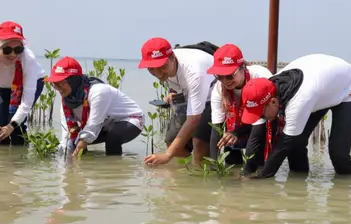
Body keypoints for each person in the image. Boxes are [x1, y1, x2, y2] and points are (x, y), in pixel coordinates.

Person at [238, 53, 351, 179]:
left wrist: (261, 178)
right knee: (296, 144)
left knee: (338, 151)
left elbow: (283, 146)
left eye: (261, 115)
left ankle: (345, 188)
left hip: (347, 87)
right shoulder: (269, 87)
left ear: (274, 102)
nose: (261, 118)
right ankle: (298, 185)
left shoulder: (299, 101)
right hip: (320, 87)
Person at [138, 37, 217, 166]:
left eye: (161, 67)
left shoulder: (194, 72)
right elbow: (173, 78)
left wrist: (167, 155)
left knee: (199, 142)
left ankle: (203, 175)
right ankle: (183, 177)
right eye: (151, 69)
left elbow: (194, 119)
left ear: (172, 57)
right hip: (191, 94)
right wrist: (172, 92)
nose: (158, 73)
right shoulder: (166, 68)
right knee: (171, 141)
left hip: (213, 94)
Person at [47, 56, 144, 156]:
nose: (58, 89)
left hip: (131, 120)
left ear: (73, 81)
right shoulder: (66, 103)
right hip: (104, 124)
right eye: (54, 84)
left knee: (112, 135)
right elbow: (67, 134)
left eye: (60, 84)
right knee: (73, 143)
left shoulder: (98, 92)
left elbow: (93, 126)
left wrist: (78, 150)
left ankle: (114, 167)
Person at [206, 43, 273, 165]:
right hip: (238, 125)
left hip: (263, 122)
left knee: (254, 161)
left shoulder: (260, 77)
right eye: (219, 77)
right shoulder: (218, 89)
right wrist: (214, 166)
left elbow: (260, 123)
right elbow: (216, 129)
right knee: (231, 161)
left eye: (229, 76)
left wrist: (237, 133)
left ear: (242, 67)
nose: (225, 82)